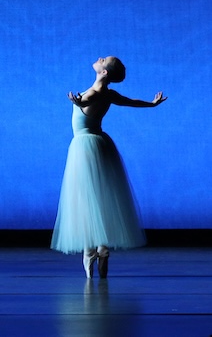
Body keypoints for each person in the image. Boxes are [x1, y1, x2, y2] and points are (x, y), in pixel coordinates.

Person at [51, 56, 166, 279]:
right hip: (100, 143)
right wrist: (151, 104)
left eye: (103, 60)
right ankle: (101, 249)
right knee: (101, 197)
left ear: (103, 72)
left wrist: (79, 103)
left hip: (84, 146)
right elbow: (130, 101)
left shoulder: (94, 93)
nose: (99, 58)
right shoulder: (109, 94)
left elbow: (86, 103)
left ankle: (89, 250)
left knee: (85, 199)